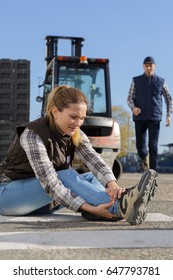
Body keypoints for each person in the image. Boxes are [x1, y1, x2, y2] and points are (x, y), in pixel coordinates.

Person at [0, 85, 158, 225]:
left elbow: (94, 160)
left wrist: (113, 186)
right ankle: (119, 207)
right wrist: (88, 206)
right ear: (55, 112)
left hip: (40, 202)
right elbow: (50, 182)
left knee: (91, 177)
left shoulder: (75, 133)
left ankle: (112, 204)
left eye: (82, 118)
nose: (78, 122)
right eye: (74, 117)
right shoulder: (32, 134)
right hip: (8, 197)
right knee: (65, 175)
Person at [127, 56, 173, 172]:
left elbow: (169, 99)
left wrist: (169, 115)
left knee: (153, 146)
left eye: (150, 65)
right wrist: (133, 108)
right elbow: (129, 98)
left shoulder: (161, 81)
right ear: (143, 66)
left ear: (154, 66)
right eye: (146, 65)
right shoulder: (136, 80)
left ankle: (153, 171)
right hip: (139, 117)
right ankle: (143, 158)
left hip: (154, 117)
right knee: (140, 146)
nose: (148, 67)